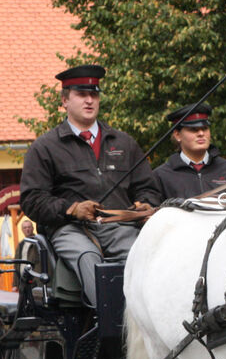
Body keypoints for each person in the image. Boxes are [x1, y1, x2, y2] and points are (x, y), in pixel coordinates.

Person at [20, 65, 162, 305]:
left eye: (94, 95)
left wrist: (146, 204)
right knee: (89, 259)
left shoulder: (124, 143)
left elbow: (147, 187)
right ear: (65, 101)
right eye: (81, 95)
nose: (89, 101)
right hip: (69, 230)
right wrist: (71, 209)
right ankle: (111, 329)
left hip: (119, 225)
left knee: (143, 256)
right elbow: (32, 199)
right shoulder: (45, 147)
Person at [153, 103, 226, 199]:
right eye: (193, 129)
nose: (201, 133)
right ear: (177, 135)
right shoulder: (160, 176)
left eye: (204, 128)